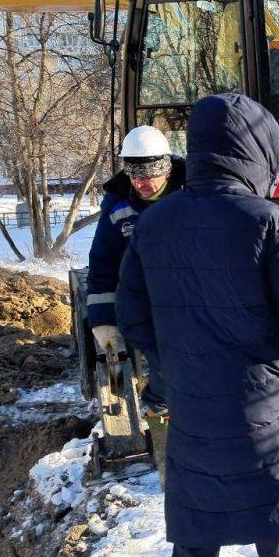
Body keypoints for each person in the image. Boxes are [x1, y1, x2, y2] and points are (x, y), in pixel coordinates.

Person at [116, 93, 279, 557]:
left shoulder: (155, 223)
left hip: (195, 410)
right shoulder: (272, 222)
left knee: (195, 538)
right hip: (273, 413)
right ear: (256, 149)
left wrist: (170, 369)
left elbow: (132, 313)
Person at [87, 125, 185, 482]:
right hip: (149, 308)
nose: (144, 182)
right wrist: (103, 321)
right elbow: (102, 266)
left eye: (152, 172)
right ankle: (164, 441)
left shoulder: (194, 192)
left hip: (194, 299)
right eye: (135, 173)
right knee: (161, 374)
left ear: (168, 166)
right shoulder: (117, 208)